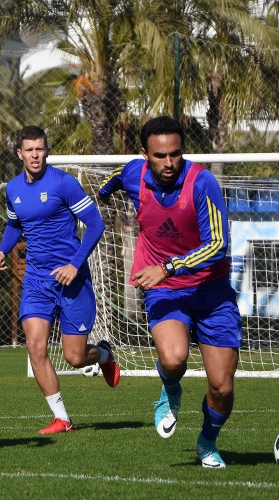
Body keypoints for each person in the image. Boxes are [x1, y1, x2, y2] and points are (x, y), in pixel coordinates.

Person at [97, 116, 242, 469]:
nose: (168, 163)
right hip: (165, 289)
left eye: (175, 154)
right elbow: (110, 182)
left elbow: (218, 244)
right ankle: (171, 390)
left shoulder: (202, 182)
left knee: (222, 388)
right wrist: (99, 196)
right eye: (159, 155)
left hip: (211, 291)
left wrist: (167, 266)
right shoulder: (133, 173)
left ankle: (207, 442)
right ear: (144, 153)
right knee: (174, 358)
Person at [0, 126, 118, 435]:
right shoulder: (13, 189)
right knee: (35, 346)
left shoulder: (64, 183)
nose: (35, 155)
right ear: (20, 154)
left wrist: (74, 265)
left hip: (72, 280)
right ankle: (62, 419)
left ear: (46, 151)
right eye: (29, 150)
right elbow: (14, 225)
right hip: (37, 281)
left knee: (75, 357)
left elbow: (95, 223)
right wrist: (2, 250)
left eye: (40, 149)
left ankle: (103, 354)